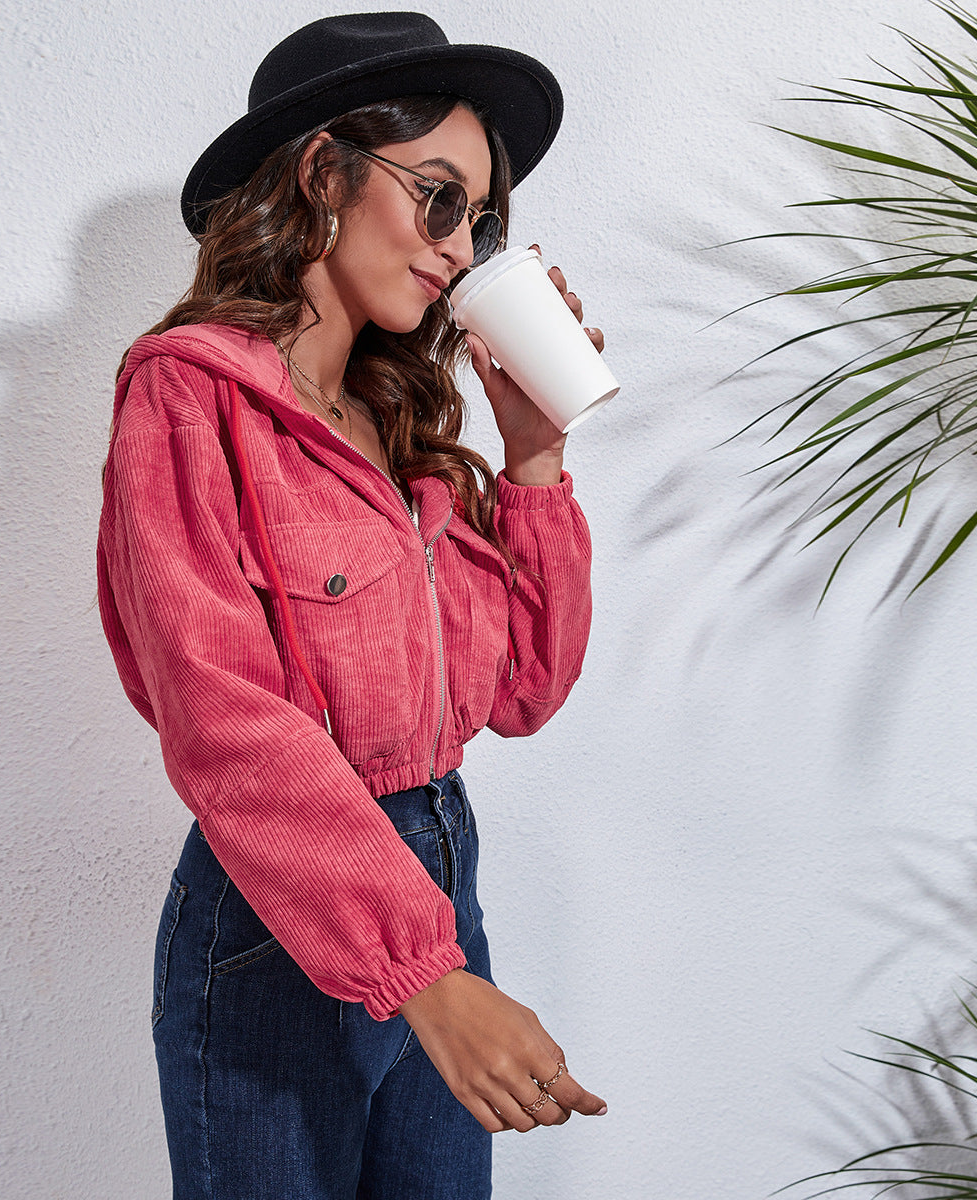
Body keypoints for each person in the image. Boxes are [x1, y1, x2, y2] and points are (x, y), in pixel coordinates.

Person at [96, 12, 607, 1198]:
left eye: (480, 222)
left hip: (438, 884)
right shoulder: (188, 399)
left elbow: (524, 692)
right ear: (325, 173)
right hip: (278, 930)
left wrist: (534, 458)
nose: (458, 248)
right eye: (439, 199)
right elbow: (225, 725)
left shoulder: (401, 434)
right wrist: (424, 973)